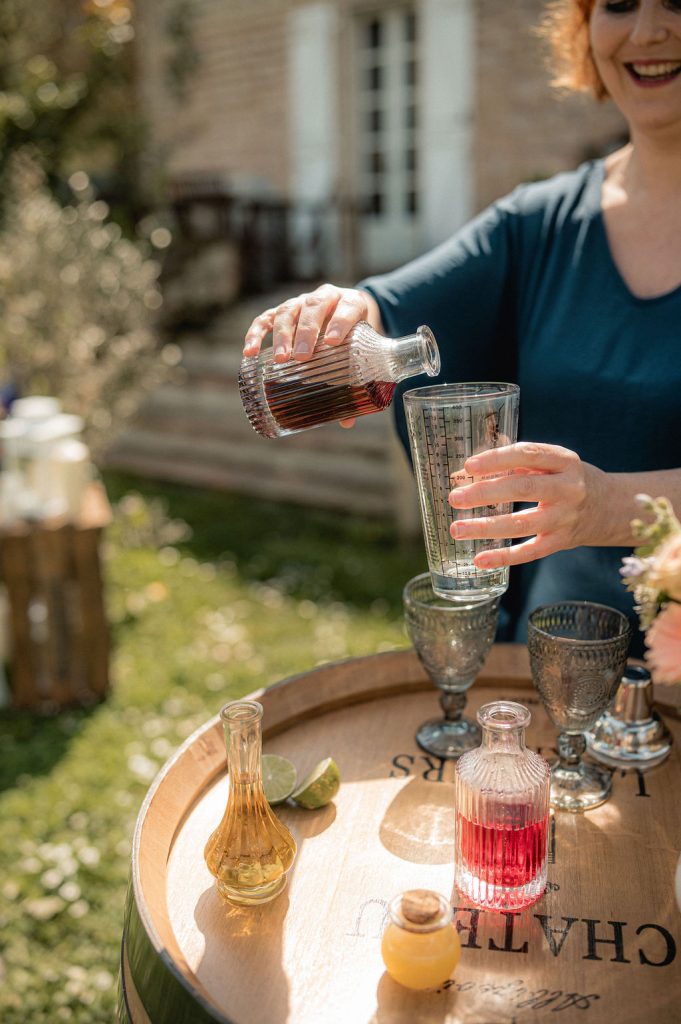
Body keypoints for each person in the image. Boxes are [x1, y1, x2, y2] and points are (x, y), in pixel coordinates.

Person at [243, 0, 681, 655]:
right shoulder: (540, 224)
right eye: (617, 2)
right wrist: (343, 312)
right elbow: (389, 306)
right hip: (554, 675)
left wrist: (607, 504)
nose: (647, 30)